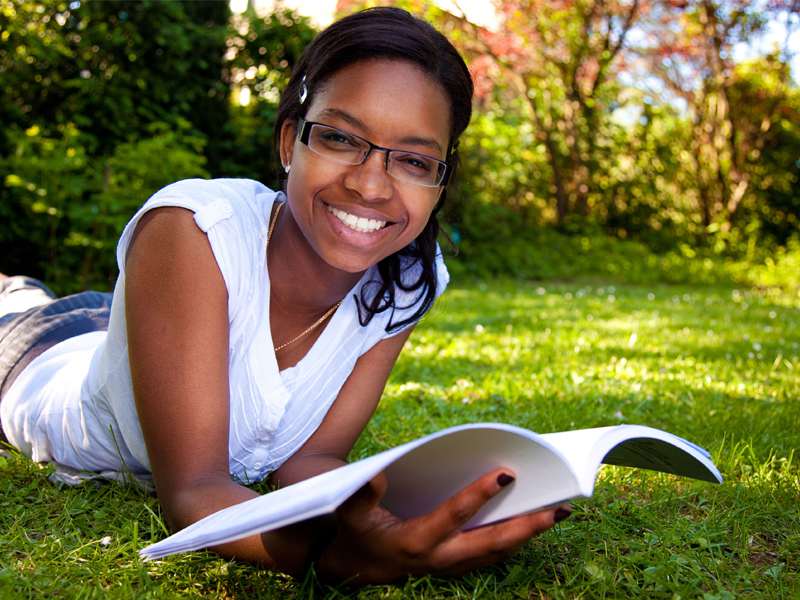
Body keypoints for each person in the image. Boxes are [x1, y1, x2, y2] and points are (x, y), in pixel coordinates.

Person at [0, 7, 569, 584]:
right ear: (289, 143)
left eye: (415, 161)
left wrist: (390, 517)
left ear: (441, 179)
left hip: (128, 323)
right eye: (341, 138)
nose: (370, 184)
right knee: (16, 305)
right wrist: (341, 559)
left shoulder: (409, 280)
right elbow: (194, 491)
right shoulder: (194, 229)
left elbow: (311, 461)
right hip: (36, 355)